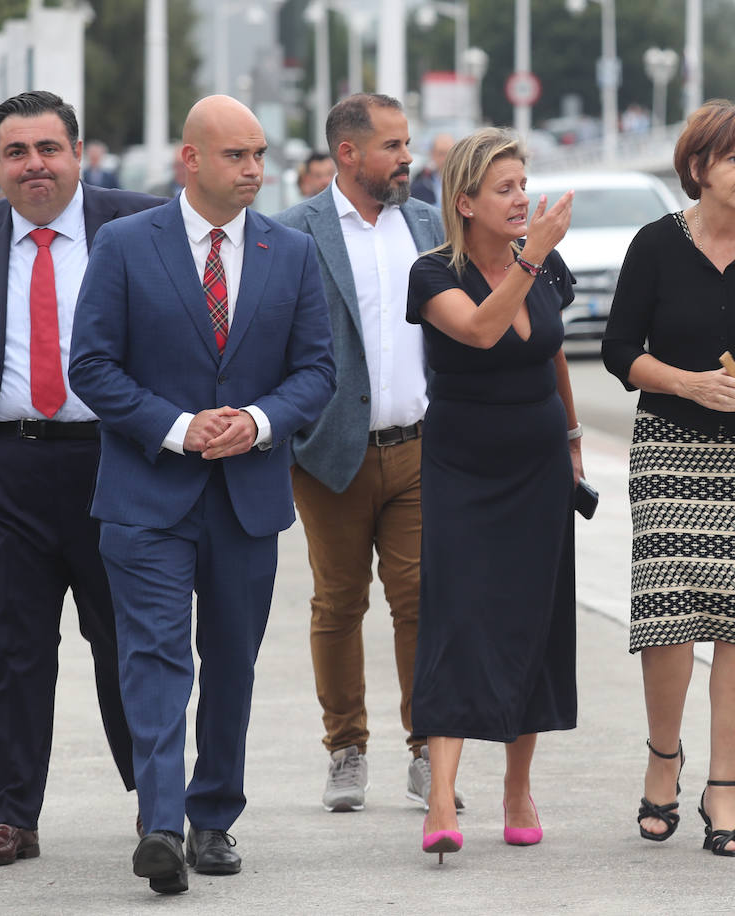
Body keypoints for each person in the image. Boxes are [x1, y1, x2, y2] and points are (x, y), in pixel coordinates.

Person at [68, 95, 336, 895]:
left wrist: (255, 421)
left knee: (230, 661)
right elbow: (91, 366)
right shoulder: (123, 245)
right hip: (147, 493)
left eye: (260, 155)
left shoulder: (289, 253)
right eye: (237, 156)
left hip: (247, 495)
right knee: (151, 655)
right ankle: (158, 822)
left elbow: (317, 371)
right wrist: (180, 427)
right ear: (191, 160)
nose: (255, 169)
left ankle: (212, 815)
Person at [0, 90, 162, 868]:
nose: (34, 166)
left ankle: (158, 808)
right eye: (16, 152)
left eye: (48, 149)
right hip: (3, 474)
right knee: (6, 650)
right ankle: (9, 815)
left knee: (132, 645)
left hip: (116, 467)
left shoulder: (138, 222)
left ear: (78, 152)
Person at [601, 100, 735, 858]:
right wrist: (688, 383)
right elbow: (619, 349)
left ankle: (724, 788)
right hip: (669, 449)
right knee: (667, 615)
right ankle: (664, 759)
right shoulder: (655, 246)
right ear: (699, 167)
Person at [276, 93, 462, 814]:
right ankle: (345, 748)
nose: (407, 159)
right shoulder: (295, 233)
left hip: (419, 448)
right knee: (339, 602)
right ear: (348, 154)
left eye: (408, 143)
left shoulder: (428, 224)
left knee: (420, 601)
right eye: (392, 146)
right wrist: (291, 436)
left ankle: (426, 751)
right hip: (330, 455)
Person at [407, 127, 578, 862]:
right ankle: (442, 797)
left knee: (530, 619)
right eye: (505, 189)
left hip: (539, 462)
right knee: (456, 616)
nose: (521, 199)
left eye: (523, 185)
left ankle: (518, 787)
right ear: (465, 200)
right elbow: (478, 331)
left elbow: (554, 350)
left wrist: (573, 439)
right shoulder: (431, 271)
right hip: (463, 467)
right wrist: (531, 255)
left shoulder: (545, 265)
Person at [409, 132, 452, 205]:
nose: (446, 158)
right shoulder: (420, 184)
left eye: (450, 153)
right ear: (433, 154)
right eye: (441, 153)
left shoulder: (466, 184)